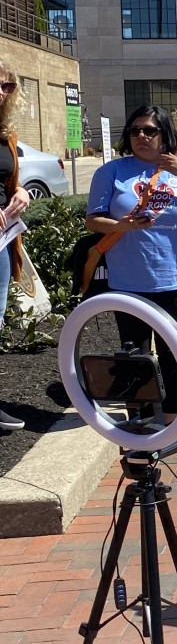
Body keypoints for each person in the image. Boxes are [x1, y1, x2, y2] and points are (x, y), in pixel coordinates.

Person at [86, 106, 177, 441]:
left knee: (174, 355)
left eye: (149, 130)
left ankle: (175, 425)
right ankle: (142, 426)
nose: (141, 137)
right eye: (134, 131)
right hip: (127, 282)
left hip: (172, 279)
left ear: (165, 134)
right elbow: (93, 220)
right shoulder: (112, 172)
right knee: (134, 356)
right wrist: (123, 225)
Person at [0, 62, 30, 430]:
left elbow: (11, 181)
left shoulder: (5, 132)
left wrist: (20, 192)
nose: (3, 92)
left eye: (8, 86)